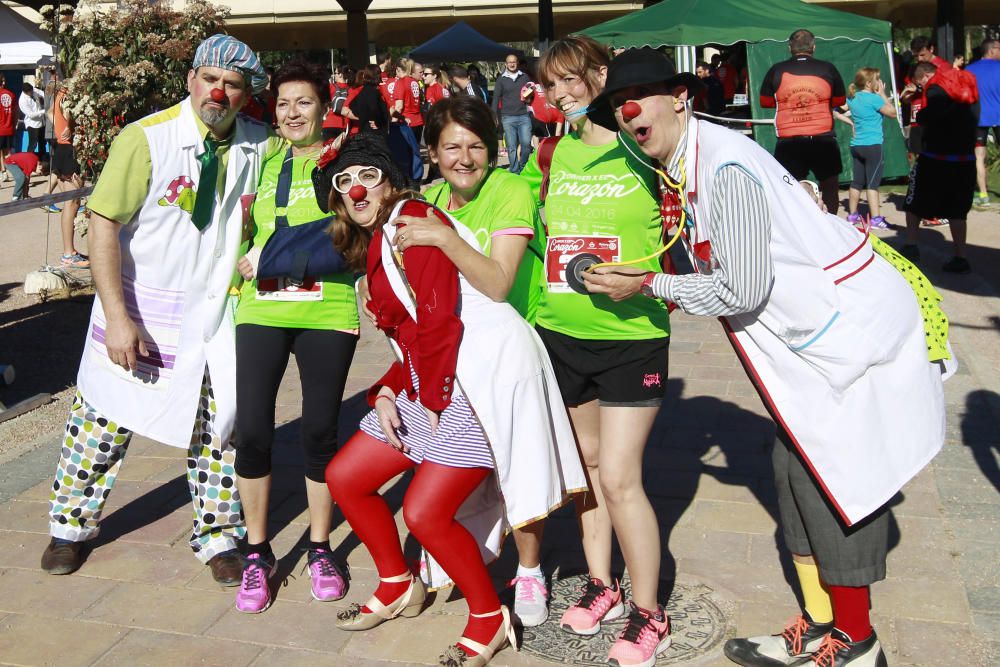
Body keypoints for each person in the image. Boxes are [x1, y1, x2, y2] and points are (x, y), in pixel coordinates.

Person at [583, 46, 949, 667]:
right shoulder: (690, 159)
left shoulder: (723, 167)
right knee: (789, 468)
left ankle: (856, 642)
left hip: (848, 337)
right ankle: (819, 620)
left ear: (680, 97)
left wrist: (646, 284)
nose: (628, 111)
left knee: (830, 477)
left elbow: (741, 288)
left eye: (639, 96)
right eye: (619, 105)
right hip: (823, 335)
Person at [320, 132, 585, 667]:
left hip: (480, 378)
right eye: (343, 182)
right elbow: (419, 332)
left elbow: (441, 319)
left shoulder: (412, 223)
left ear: (390, 183)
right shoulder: (380, 240)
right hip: (441, 374)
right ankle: (398, 584)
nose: (355, 189)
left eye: (367, 176)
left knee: (423, 511)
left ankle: (488, 618)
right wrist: (391, 388)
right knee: (346, 476)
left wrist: (432, 401)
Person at [39, 34, 282, 584]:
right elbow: (103, 226)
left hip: (214, 318)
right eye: (210, 79)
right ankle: (69, 527)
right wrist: (118, 317)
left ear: (247, 94)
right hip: (140, 308)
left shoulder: (258, 147)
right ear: (191, 79)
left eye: (234, 84)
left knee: (218, 427)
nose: (219, 92)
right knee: (101, 420)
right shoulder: (146, 139)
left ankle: (218, 536)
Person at [520, 36, 674, 666]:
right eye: (550, 85)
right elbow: (518, 221)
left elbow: (689, 214)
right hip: (563, 332)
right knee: (586, 470)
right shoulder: (549, 154)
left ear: (599, 77)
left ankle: (649, 612)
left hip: (632, 337)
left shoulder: (641, 147)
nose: (560, 94)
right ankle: (601, 583)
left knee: (619, 476)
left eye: (569, 80)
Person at [398, 93, 565, 630]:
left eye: (476, 147)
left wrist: (443, 237)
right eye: (451, 147)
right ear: (433, 152)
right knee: (460, 463)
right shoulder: (429, 198)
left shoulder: (511, 190)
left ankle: (532, 570)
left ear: (493, 152)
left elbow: (497, 283)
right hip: (452, 357)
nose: (464, 158)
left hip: (509, 352)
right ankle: (462, 551)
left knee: (519, 460)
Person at [229, 60, 356, 614]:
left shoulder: (347, 160)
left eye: (303, 102)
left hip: (327, 308)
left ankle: (321, 545)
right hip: (261, 305)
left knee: (320, 431)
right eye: (283, 104)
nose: (292, 113)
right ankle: (258, 553)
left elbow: (360, 227)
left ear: (323, 108)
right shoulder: (257, 160)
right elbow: (228, 227)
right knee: (253, 429)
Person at [901, 60, 980, 274]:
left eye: (921, 84)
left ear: (925, 76)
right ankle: (960, 256)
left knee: (914, 201)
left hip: (935, 156)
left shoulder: (936, 86)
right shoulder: (967, 80)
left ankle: (911, 245)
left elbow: (932, 116)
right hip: (964, 157)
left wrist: (922, 114)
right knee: (957, 210)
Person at [760, 29, 847, 213]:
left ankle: (797, 225)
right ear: (814, 47)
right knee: (830, 184)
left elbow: (765, 102)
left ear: (790, 47)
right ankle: (831, 225)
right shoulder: (828, 68)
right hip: (823, 138)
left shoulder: (777, 69)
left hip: (790, 140)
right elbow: (840, 101)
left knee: (789, 186)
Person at [844, 67, 896, 229]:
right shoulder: (874, 99)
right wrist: (882, 94)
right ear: (868, 83)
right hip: (873, 146)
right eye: (876, 80)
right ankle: (876, 219)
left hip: (857, 146)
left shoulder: (852, 97)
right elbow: (893, 113)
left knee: (857, 182)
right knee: (872, 184)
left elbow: (837, 110)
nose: (879, 83)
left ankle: (852, 215)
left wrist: (850, 122)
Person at [50, 80, 90, 268]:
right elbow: (69, 115)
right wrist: (68, 128)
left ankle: (69, 251)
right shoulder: (71, 93)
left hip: (61, 148)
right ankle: (69, 253)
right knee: (73, 202)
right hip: (70, 149)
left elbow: (50, 112)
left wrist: (59, 129)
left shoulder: (61, 92)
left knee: (70, 203)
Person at [966, 38, 1000, 207]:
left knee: (979, 156)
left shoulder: (969, 70)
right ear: (992, 50)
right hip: (998, 116)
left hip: (978, 118)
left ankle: (983, 194)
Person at [492, 53, 533, 173]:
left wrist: (529, 98)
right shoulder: (501, 79)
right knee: (511, 147)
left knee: (526, 144)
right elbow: (495, 98)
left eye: (514, 62)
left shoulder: (525, 77)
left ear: (517, 63)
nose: (512, 64)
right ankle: (515, 170)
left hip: (524, 116)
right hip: (508, 117)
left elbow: (531, 95)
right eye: (509, 62)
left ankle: (523, 165)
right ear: (506, 64)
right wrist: (494, 115)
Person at [343, 65, 389, 136]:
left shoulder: (372, 90)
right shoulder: (367, 91)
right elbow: (345, 110)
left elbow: (352, 105)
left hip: (367, 131)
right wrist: (370, 119)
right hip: (369, 133)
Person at [323, 65, 355, 141]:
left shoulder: (331, 86)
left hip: (329, 123)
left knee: (328, 150)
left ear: (340, 74)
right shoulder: (351, 89)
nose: (334, 75)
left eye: (336, 73)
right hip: (343, 125)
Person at [18, 82, 45, 158]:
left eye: (32, 90)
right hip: (32, 124)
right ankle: (29, 160)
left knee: (42, 142)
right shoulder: (22, 101)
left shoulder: (32, 90)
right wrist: (44, 111)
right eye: (30, 92)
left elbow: (40, 92)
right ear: (25, 92)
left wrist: (47, 98)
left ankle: (41, 160)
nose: (32, 93)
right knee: (33, 144)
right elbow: (31, 115)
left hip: (41, 122)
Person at [0, 74, 14, 182]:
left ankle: (3, 172)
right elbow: (16, 111)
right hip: (9, 128)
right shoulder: (11, 94)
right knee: (7, 152)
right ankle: (11, 171)